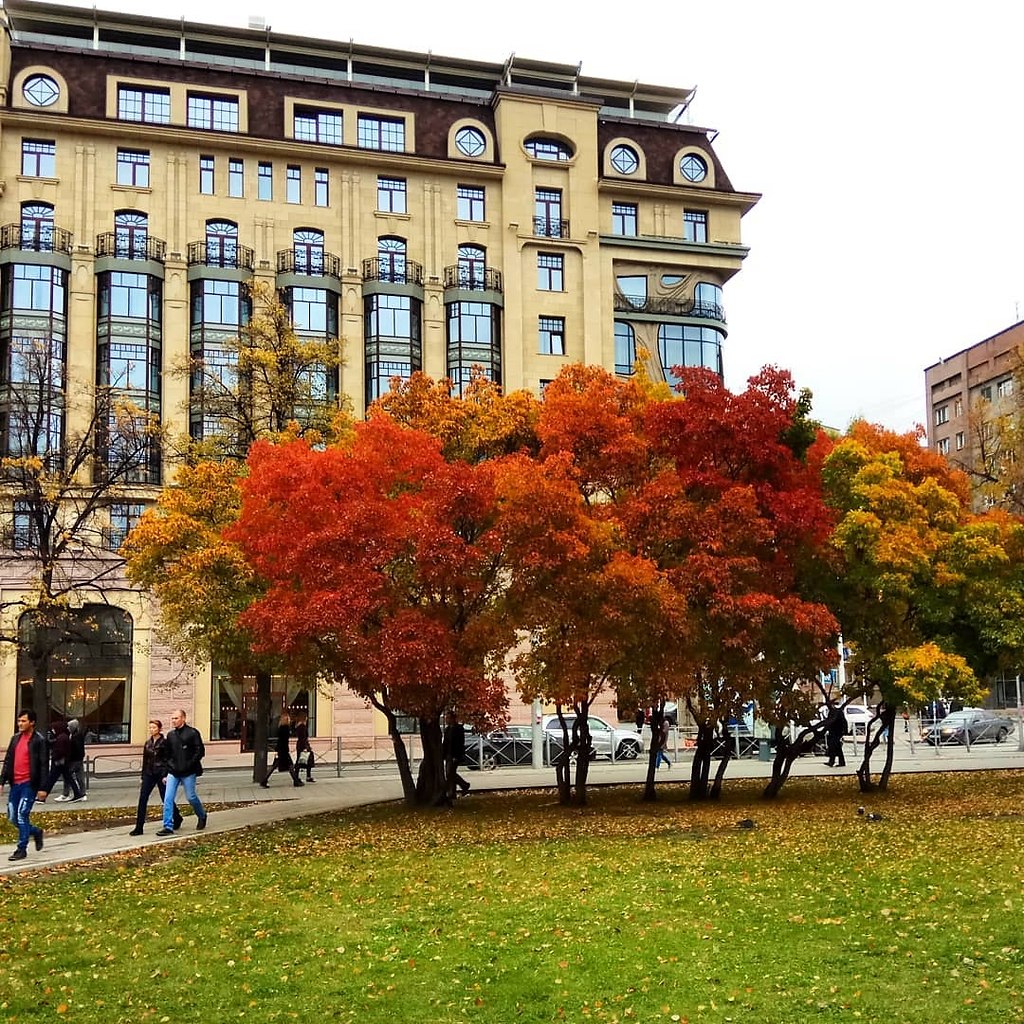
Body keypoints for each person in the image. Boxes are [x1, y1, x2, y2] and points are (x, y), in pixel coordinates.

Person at [0, 709, 48, 861]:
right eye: (19, 721)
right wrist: (1, 782)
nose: (20, 724)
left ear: (32, 722)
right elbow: (8, 761)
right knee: (13, 817)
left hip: (29, 784)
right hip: (16, 784)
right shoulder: (15, 739)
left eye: (23, 721)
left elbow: (43, 765)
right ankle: (35, 831)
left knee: (22, 814)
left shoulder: (39, 740)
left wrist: (43, 788)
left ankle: (21, 849)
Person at [156, 708, 207, 836]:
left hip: (188, 771)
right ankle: (168, 825)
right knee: (168, 798)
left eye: (176, 718)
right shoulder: (171, 735)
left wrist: (189, 763)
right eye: (172, 718)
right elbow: (167, 754)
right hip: (173, 771)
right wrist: (167, 771)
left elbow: (199, 751)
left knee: (191, 797)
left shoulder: (192, 733)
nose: (174, 720)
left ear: (183, 718)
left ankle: (202, 815)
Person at [129, 720, 182, 836]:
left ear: (159, 729)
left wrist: (166, 774)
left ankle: (177, 817)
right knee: (143, 798)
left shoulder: (164, 742)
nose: (152, 730)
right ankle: (139, 826)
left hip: (160, 773)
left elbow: (169, 758)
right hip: (149, 773)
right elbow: (145, 760)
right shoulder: (148, 743)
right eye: (150, 728)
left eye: (154, 728)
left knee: (165, 798)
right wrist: (142, 776)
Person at [261, 710, 303, 788]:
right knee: (289, 766)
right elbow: (284, 741)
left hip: (281, 750)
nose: (290, 720)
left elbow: (280, 740)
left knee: (276, 766)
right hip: (283, 751)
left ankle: (264, 780)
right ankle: (296, 781)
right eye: (288, 719)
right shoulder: (286, 728)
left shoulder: (280, 727)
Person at [45, 722, 84, 803]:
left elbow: (63, 750)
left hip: (65, 761)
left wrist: (57, 757)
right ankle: (78, 794)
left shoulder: (67, 737)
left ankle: (71, 794)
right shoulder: (67, 736)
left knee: (60, 778)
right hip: (68, 761)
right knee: (69, 777)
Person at [441, 710, 470, 800]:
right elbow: (445, 743)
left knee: (450, 774)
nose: (446, 720)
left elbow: (460, 743)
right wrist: (443, 754)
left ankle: (464, 785)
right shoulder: (447, 729)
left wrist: (456, 756)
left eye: (448, 718)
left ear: (453, 719)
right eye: (446, 718)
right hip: (448, 755)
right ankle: (452, 793)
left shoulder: (458, 729)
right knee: (449, 774)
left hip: (454, 755)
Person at [63, 718, 87, 801]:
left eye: (69, 726)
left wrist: (69, 758)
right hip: (79, 759)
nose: (67, 728)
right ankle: (82, 793)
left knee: (68, 776)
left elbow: (74, 749)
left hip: (74, 760)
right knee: (80, 777)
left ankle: (67, 793)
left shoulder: (74, 737)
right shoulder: (78, 735)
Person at [293, 711, 315, 783]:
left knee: (303, 760)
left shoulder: (298, 726)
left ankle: (301, 776)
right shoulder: (302, 726)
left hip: (300, 744)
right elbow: (303, 737)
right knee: (303, 760)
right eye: (306, 717)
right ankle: (301, 776)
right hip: (303, 745)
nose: (307, 718)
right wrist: (305, 747)